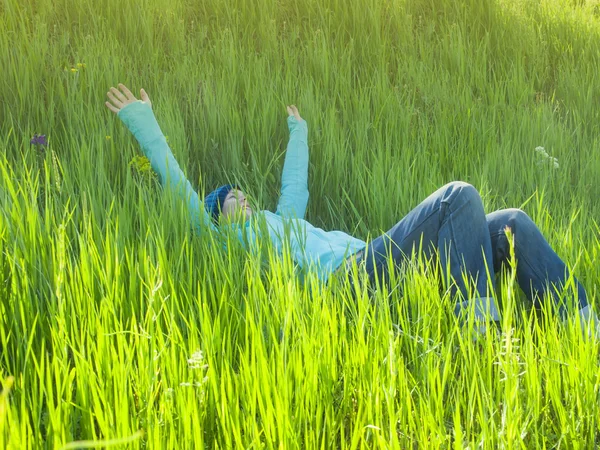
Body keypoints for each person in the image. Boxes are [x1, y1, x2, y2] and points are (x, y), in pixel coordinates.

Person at [105, 83, 600, 339]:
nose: (244, 197)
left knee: (510, 221)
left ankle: (584, 331)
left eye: (244, 192)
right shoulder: (225, 240)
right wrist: (142, 121)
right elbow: (180, 189)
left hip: (378, 265)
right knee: (458, 198)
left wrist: (298, 131)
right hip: (346, 285)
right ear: (216, 212)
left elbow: (293, 184)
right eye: (232, 196)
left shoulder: (285, 221)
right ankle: (482, 339)